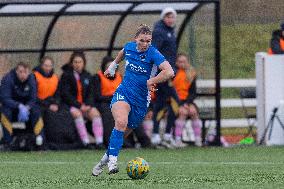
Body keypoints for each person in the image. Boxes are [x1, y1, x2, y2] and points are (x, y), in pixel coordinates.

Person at [92, 24, 174, 176]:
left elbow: (169, 71)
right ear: (136, 39)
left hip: (141, 101)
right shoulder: (130, 47)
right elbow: (123, 52)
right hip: (123, 93)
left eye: (148, 41)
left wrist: (151, 81)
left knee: (121, 134)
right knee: (121, 122)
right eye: (142, 40)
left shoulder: (153, 53)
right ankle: (112, 163)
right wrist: (113, 66)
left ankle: (104, 159)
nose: (145, 44)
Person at [60, 51, 104, 148]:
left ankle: (99, 142)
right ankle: (86, 142)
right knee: (77, 114)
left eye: (80, 62)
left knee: (96, 114)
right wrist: (79, 106)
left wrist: (88, 105)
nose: (77, 64)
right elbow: (65, 95)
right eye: (75, 62)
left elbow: (91, 93)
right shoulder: (66, 76)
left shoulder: (87, 75)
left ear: (83, 63)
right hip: (71, 106)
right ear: (72, 63)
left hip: (86, 106)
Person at [151, 7, 180, 148]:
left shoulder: (170, 32)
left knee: (162, 103)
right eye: (168, 17)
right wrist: (163, 69)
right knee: (174, 101)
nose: (170, 19)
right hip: (163, 74)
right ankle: (165, 135)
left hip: (168, 73)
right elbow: (154, 52)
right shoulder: (159, 32)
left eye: (172, 17)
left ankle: (158, 135)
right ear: (163, 18)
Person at [0, 62, 44, 147]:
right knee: (5, 111)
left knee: (36, 111)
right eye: (21, 72)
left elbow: (33, 98)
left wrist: (27, 107)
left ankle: (40, 141)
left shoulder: (31, 78)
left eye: (25, 72)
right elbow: (5, 98)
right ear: (16, 71)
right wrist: (19, 106)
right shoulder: (8, 78)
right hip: (12, 109)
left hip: (26, 110)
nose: (23, 74)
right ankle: (7, 142)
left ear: (28, 72)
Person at [172, 53, 202, 147]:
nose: (182, 64)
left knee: (193, 111)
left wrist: (188, 103)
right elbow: (171, 91)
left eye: (184, 62)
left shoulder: (191, 73)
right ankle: (177, 139)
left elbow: (193, 92)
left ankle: (198, 139)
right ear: (176, 63)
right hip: (175, 101)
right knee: (183, 113)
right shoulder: (173, 73)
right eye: (180, 62)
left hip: (187, 101)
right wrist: (181, 103)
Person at [94, 56, 122, 146]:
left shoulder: (120, 77)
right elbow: (97, 96)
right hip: (103, 103)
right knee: (108, 113)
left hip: (118, 102)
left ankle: (142, 141)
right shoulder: (98, 77)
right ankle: (109, 142)